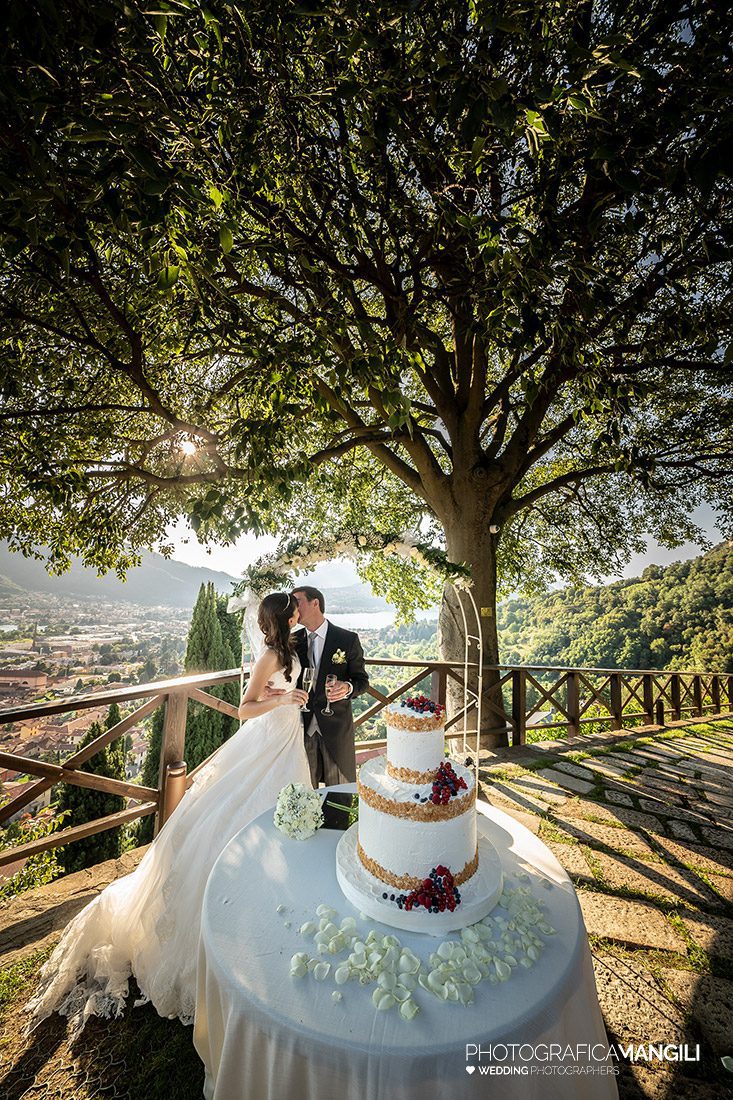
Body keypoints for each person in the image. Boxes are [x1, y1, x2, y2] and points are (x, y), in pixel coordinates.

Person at [25, 592, 310, 1037]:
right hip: (266, 741)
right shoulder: (269, 656)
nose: (298, 612)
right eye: (293, 609)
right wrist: (282, 700)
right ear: (284, 617)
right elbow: (244, 708)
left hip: (287, 741)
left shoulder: (290, 648)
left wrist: (292, 699)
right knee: (236, 818)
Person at [265, 586, 369, 786]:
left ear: (315, 603)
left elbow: (362, 681)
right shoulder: (292, 641)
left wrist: (347, 687)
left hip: (336, 730)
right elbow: (271, 668)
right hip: (300, 727)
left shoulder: (347, 639)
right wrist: (264, 686)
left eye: (297, 602)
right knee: (304, 792)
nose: (294, 607)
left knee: (339, 794)